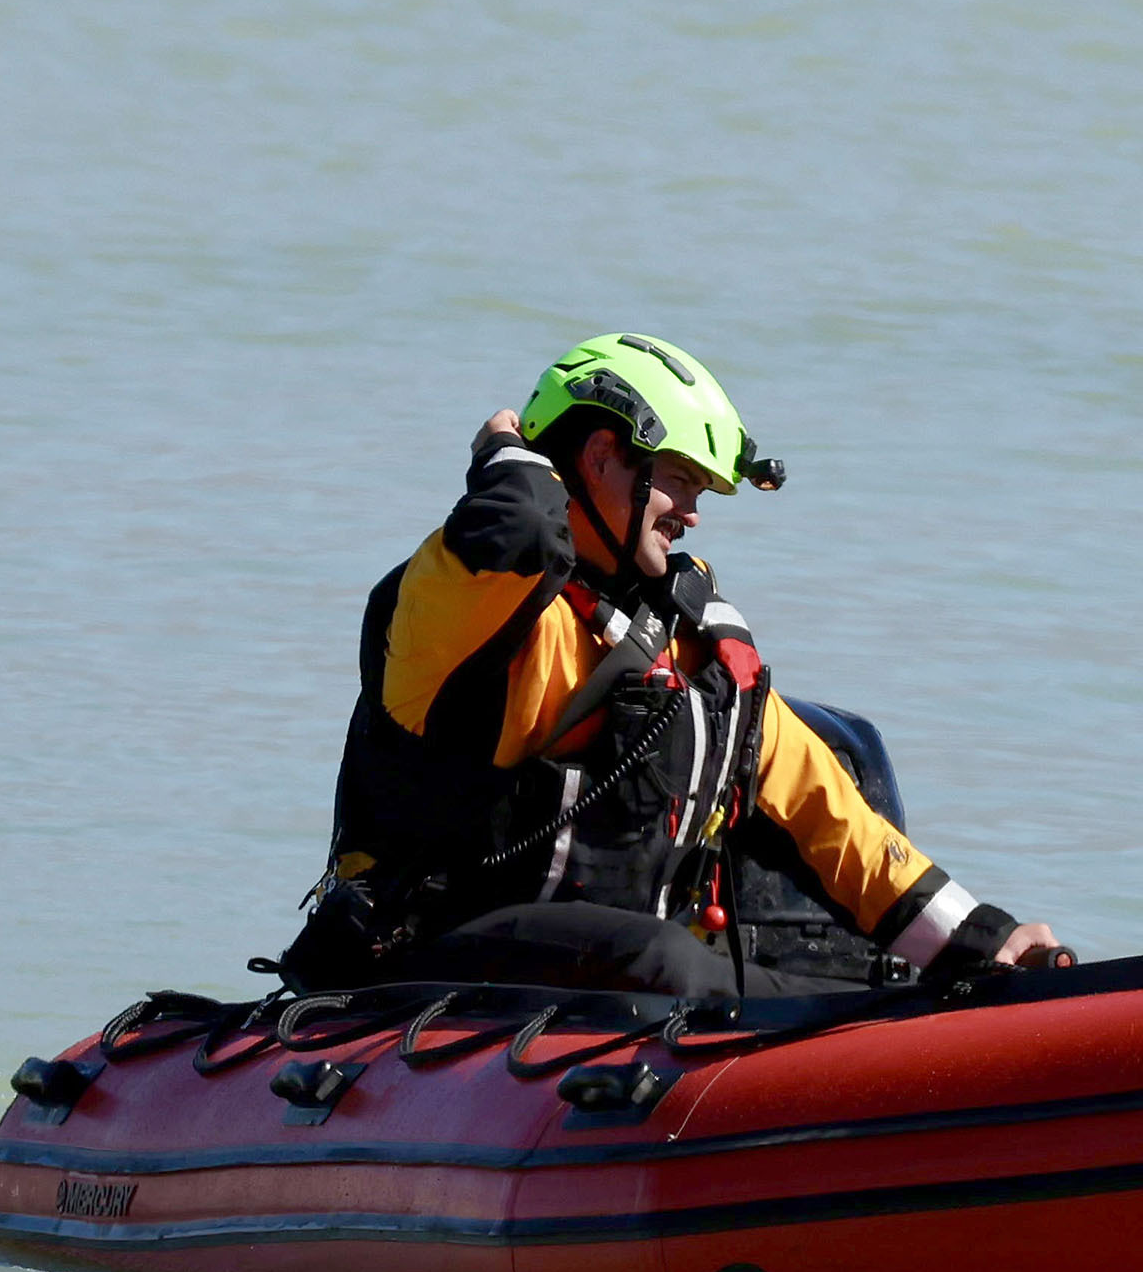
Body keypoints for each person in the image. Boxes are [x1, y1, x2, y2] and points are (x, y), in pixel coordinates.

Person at [279, 333, 1065, 997]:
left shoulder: (694, 642)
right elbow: (514, 533)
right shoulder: (467, 602)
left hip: (612, 989)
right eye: (682, 480)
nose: (692, 512)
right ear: (598, 457)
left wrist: (982, 946)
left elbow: (833, 821)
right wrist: (508, 456)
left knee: (846, 979)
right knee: (664, 963)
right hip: (427, 954)